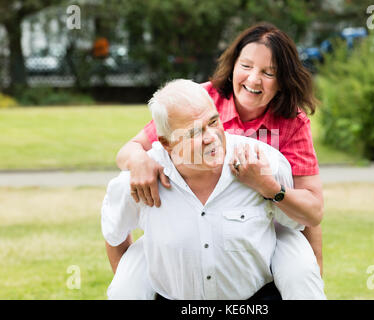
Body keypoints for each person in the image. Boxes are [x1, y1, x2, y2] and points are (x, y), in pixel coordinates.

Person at [113, 22, 324, 293]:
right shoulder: (200, 100)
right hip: (194, 223)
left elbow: (312, 211)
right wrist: (139, 160)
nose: (253, 79)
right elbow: (130, 149)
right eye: (246, 66)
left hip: (271, 226)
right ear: (233, 64)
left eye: (268, 72)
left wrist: (316, 265)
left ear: (283, 79)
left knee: (301, 277)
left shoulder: (292, 122)